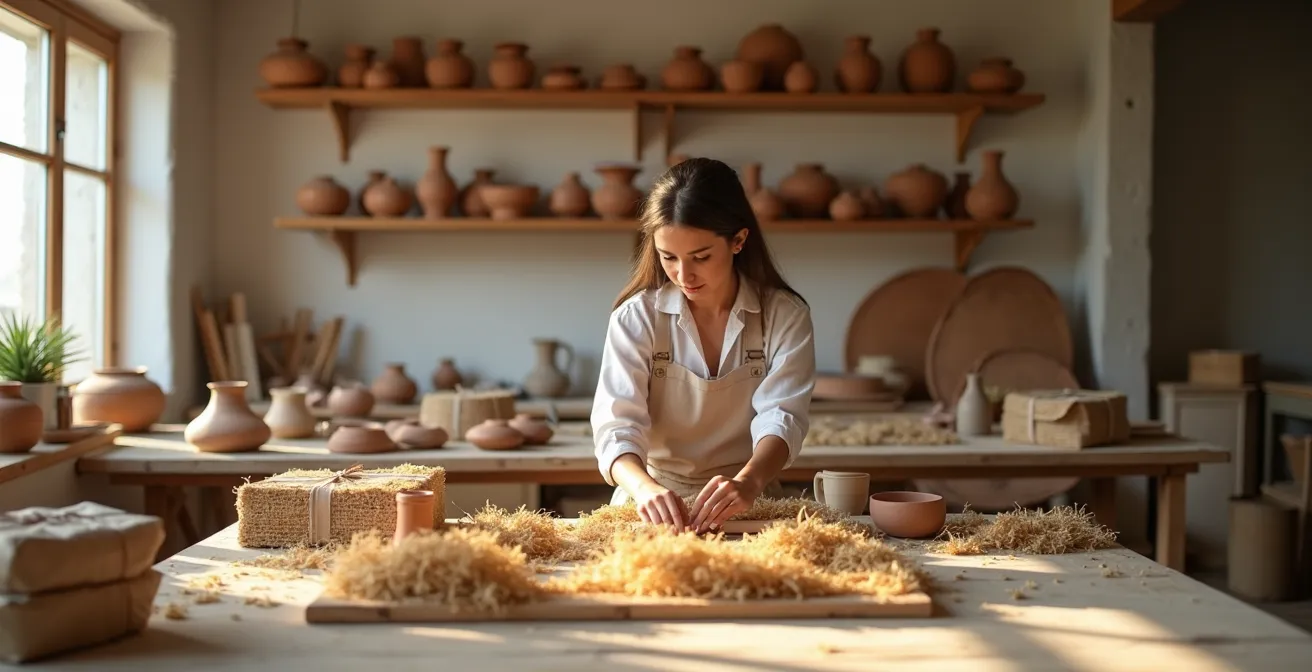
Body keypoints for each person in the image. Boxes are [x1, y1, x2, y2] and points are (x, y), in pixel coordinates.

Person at [590, 157, 816, 534]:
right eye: (669, 258)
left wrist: (748, 482)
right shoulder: (636, 318)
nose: (683, 274)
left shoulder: (784, 315)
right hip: (653, 505)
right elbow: (617, 426)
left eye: (701, 257)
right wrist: (645, 488)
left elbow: (783, 416)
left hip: (750, 499)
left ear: (739, 240)